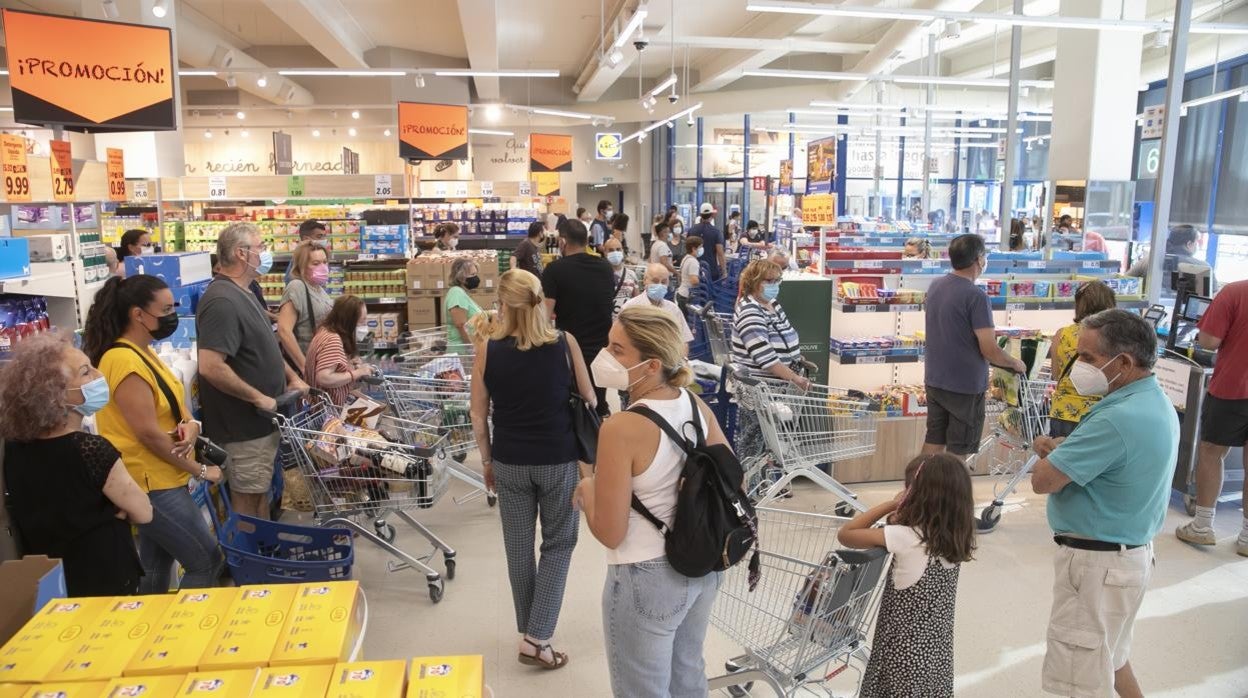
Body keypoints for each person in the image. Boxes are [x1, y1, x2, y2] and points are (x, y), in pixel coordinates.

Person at [573, 306, 729, 696]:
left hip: (645, 576)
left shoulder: (622, 427)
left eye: (617, 349)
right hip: (702, 567)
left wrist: (588, 488)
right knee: (688, 674)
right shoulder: (697, 406)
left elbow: (610, 531)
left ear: (651, 364)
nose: (605, 357)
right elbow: (731, 475)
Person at [1029, 309, 1179, 698]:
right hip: (1129, 559)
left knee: (1080, 681)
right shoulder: (1152, 401)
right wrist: (1068, 451)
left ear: (1124, 362)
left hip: (1097, 567)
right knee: (1111, 660)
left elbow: (1043, 482)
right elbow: (1117, 463)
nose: (1077, 365)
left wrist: (1048, 457)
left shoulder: (1116, 418)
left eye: (1088, 358)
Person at [470, 270, 595, 671]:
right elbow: (590, 397)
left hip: (509, 460)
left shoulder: (488, 349)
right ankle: (537, 637)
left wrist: (487, 462)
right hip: (558, 459)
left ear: (502, 305)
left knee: (518, 548)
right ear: (541, 301)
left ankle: (530, 629)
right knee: (559, 543)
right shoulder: (564, 344)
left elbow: (477, 414)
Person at [82, 274, 225, 594]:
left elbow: (173, 403)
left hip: (162, 476)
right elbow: (147, 433)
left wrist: (191, 425)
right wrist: (200, 470)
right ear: (138, 314)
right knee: (206, 561)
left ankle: (146, 628)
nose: (172, 314)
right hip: (150, 482)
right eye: (165, 308)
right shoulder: (121, 359)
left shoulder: (142, 351)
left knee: (155, 566)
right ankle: (182, 634)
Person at [0, 334, 152, 596]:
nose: (97, 374)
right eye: (85, 372)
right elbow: (144, 512)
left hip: (50, 580)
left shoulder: (14, 447)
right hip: (105, 575)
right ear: (56, 395)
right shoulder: (91, 450)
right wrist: (114, 508)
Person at [838, 454, 975, 697]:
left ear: (916, 495)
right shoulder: (957, 537)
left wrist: (891, 505)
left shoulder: (905, 537)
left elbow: (847, 534)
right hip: (935, 652)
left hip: (900, 656)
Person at [198, 222, 307, 520]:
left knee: (258, 493)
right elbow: (210, 366)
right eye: (260, 247)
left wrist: (292, 376)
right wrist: (257, 397)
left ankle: (262, 553)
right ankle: (246, 561)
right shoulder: (221, 300)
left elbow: (265, 345)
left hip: (262, 421)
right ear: (241, 253)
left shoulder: (243, 292)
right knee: (246, 499)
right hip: (242, 426)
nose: (265, 253)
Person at [922, 234, 1026, 457]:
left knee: (933, 441)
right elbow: (989, 350)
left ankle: (916, 490)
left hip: (935, 379)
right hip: (964, 386)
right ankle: (954, 492)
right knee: (958, 453)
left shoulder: (936, 286)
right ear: (979, 259)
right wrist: (1014, 363)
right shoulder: (976, 296)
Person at [1175, 278, 1248, 556]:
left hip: (1232, 388)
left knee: (1211, 452)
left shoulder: (1234, 292)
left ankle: (1203, 526)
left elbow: (1208, 340)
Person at [732, 260, 809, 463]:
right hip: (759, 388)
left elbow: (784, 336)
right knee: (755, 440)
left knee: (771, 440)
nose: (774, 285)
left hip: (775, 387)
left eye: (777, 280)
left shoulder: (772, 304)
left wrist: (795, 356)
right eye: (768, 281)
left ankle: (767, 481)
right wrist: (795, 379)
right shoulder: (750, 311)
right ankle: (750, 485)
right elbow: (766, 359)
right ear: (754, 281)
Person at [542, 218, 615, 418]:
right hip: (602, 347)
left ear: (562, 242)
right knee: (598, 403)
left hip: (571, 350)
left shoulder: (554, 270)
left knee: (573, 404)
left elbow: (545, 316)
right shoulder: (605, 267)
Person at [1048, 281, 1117, 437]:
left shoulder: (1061, 334)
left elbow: (1056, 374)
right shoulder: (1112, 337)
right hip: (1097, 413)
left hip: (1062, 412)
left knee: (1059, 459)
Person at [305, 295, 374, 406]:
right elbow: (324, 378)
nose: (364, 326)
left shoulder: (325, 331)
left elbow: (330, 364)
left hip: (324, 405)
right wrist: (358, 373)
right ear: (349, 321)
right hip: (327, 410)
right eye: (361, 321)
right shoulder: (333, 339)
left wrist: (349, 365)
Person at [277, 241, 333, 371]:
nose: (323, 267)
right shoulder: (297, 286)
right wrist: (305, 367)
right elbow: (284, 330)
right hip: (308, 365)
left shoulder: (319, 288)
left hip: (322, 365)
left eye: (325, 262)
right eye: (316, 263)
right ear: (302, 266)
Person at [1126, 224, 1214, 293]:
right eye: (1196, 242)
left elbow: (1124, 281)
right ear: (1189, 244)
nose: (1197, 246)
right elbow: (1212, 294)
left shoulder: (1149, 260)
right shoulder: (1203, 267)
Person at [623, 263, 694, 345]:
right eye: (655, 281)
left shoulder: (673, 310)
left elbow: (684, 341)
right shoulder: (630, 308)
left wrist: (681, 357)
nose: (660, 285)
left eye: (664, 282)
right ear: (645, 280)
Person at [444, 257, 483, 346]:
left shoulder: (461, 293)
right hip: (462, 349)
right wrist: (471, 347)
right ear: (461, 276)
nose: (475, 278)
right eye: (472, 274)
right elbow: (461, 325)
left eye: (476, 274)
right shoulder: (456, 293)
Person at [687, 203, 725, 282]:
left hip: (694, 269)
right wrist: (724, 272)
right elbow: (720, 253)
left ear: (700, 215)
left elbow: (687, 250)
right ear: (712, 215)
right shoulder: (716, 232)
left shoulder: (692, 230)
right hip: (711, 271)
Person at [604, 237, 638, 318]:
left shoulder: (631, 274)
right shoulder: (600, 275)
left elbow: (637, 299)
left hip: (626, 321)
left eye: (618, 249)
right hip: (607, 322)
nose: (615, 252)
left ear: (622, 251)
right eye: (611, 250)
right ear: (605, 252)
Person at [675, 235, 703, 315]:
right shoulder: (693, 262)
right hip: (687, 296)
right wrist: (702, 280)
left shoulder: (686, 258)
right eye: (700, 247)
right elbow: (694, 280)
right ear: (694, 248)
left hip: (681, 292)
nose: (702, 249)